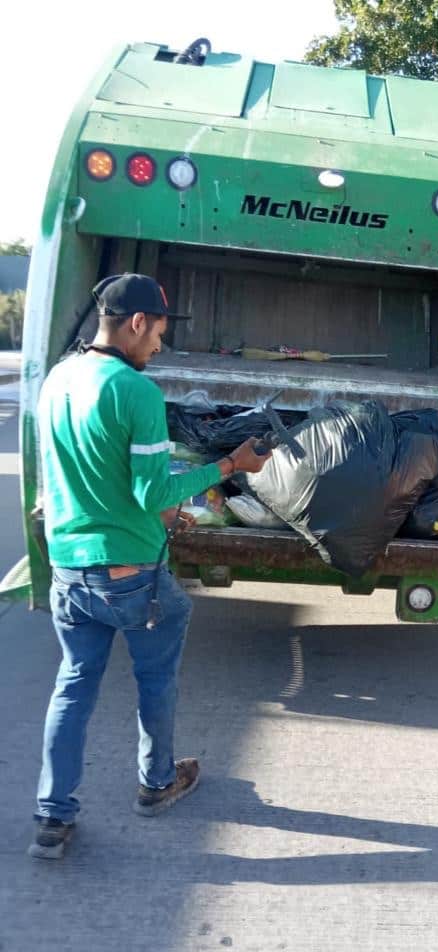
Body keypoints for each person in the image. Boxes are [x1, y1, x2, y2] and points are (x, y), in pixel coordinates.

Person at [29, 273, 271, 859]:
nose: (160, 346)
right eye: (159, 333)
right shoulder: (134, 392)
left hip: (70, 568)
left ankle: (52, 817)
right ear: (136, 324)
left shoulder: (58, 378)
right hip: (130, 575)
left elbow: (77, 481)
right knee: (155, 678)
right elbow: (151, 490)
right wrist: (229, 465)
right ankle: (156, 783)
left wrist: (161, 517)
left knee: (74, 685)